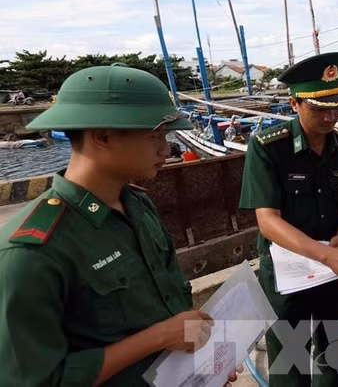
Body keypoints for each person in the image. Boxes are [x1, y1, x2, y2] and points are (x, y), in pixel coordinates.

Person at [0, 64, 241, 386]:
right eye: (154, 135)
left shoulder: (136, 203)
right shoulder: (32, 252)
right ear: (102, 137)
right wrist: (156, 338)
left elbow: (167, 300)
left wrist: (202, 364)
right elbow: (37, 379)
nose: (165, 149)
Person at [239, 52, 338, 387]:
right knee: (290, 359)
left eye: (337, 107)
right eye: (319, 108)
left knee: (332, 352)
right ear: (294, 104)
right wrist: (328, 254)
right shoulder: (268, 148)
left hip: (334, 269)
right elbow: (268, 221)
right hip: (287, 272)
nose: (330, 117)